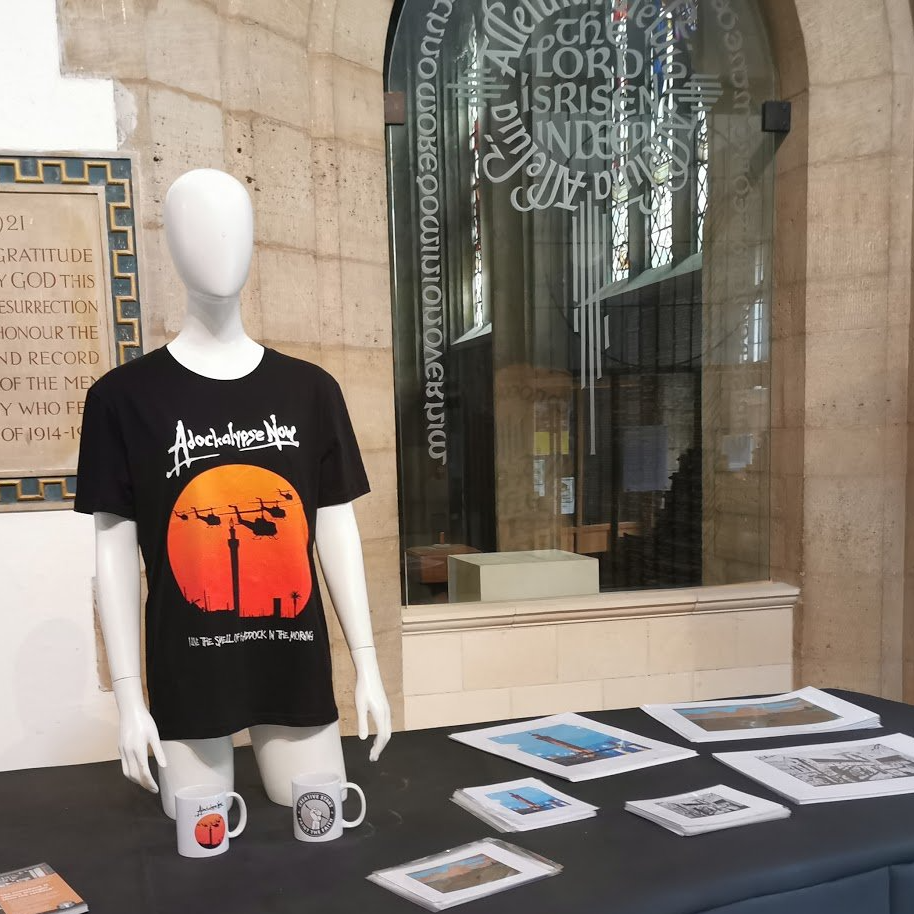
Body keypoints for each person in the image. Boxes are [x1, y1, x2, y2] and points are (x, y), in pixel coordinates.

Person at [75, 168, 390, 818]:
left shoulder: (311, 391)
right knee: (204, 841)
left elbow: (334, 530)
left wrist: (368, 664)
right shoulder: (121, 399)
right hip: (188, 672)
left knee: (318, 825)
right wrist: (130, 700)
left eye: (234, 227)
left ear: (254, 241)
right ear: (172, 246)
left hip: (292, 663)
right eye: (199, 228)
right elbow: (112, 550)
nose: (219, 244)